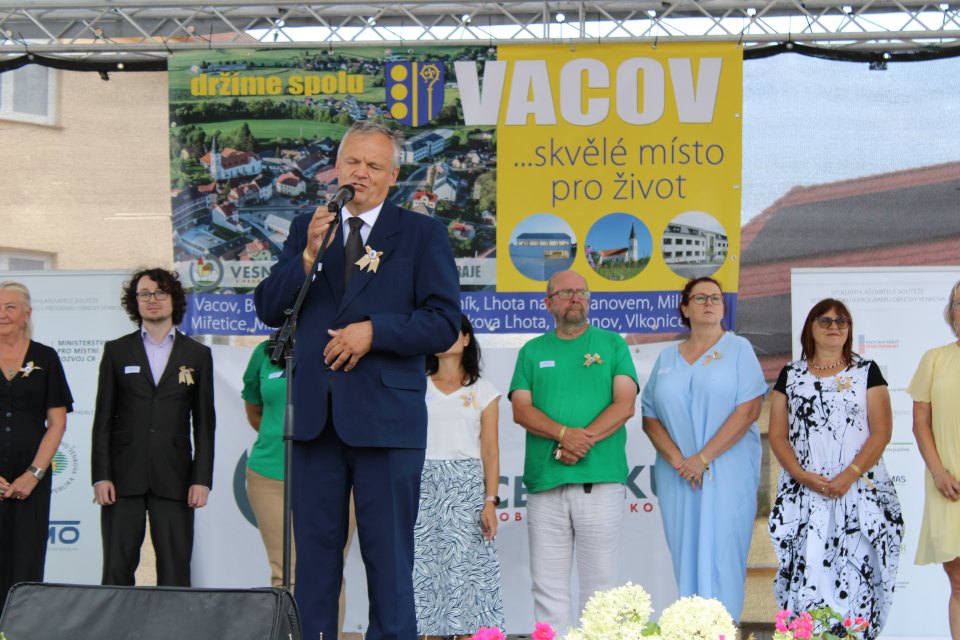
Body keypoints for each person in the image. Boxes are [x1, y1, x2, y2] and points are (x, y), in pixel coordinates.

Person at [254, 120, 460, 640]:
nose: (361, 173)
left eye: (374, 165)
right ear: (336, 168)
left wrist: (375, 331)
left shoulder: (422, 235)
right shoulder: (308, 228)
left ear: (393, 176)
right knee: (313, 567)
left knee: (389, 563)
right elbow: (269, 309)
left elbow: (442, 323)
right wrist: (306, 255)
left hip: (386, 423)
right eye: (353, 162)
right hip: (315, 422)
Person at [508, 270, 639, 635]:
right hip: (546, 484)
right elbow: (521, 410)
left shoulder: (612, 344)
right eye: (566, 293)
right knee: (547, 588)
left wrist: (581, 443)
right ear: (548, 303)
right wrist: (565, 435)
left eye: (582, 292)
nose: (576, 298)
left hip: (600, 482)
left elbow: (625, 404)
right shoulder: (532, 351)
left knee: (601, 589)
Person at [768, 298, 902, 639]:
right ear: (810, 327)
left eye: (841, 321)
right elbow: (778, 435)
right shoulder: (790, 374)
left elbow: (882, 431)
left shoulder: (866, 371)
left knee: (855, 583)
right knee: (807, 580)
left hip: (857, 491)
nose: (834, 327)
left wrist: (849, 474)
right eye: (825, 320)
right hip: (805, 493)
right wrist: (802, 476)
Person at [640, 276, 766, 622]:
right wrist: (679, 461)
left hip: (726, 473)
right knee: (686, 557)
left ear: (724, 308)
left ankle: (722, 629)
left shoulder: (739, 349)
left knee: (723, 556)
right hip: (678, 475)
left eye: (715, 298)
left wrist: (702, 458)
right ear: (685, 308)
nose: (709, 303)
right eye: (700, 298)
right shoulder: (667, 358)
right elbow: (649, 416)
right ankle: (689, 630)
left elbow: (749, 410)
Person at [91, 268, 215, 587]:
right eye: (144, 294)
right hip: (122, 478)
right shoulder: (117, 351)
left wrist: (201, 479)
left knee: (175, 571)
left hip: (176, 478)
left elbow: (204, 424)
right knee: (116, 569)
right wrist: (101, 475)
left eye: (160, 292)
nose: (153, 300)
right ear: (135, 302)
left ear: (174, 299)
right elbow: (103, 419)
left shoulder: (198, 355)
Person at [414, 314, 504, 638]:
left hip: (466, 489)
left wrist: (490, 500)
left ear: (466, 339)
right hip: (423, 485)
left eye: (452, 331)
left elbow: (490, 451)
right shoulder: (417, 384)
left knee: (467, 572)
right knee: (425, 570)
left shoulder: (484, 391)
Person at [0, 281, 72, 611]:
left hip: (32, 480)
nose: (3, 314)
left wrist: (34, 474)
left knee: (26, 558)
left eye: (10, 307)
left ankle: (19, 628)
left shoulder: (46, 357)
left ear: (27, 313)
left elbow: (57, 422)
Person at [908, 279, 960, 640]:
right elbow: (920, 423)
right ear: (951, 313)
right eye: (958, 303)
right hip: (949, 486)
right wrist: (939, 472)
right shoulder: (935, 358)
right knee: (958, 580)